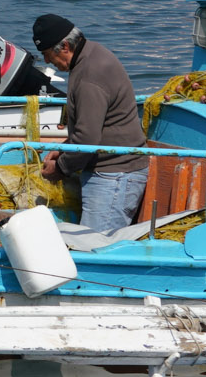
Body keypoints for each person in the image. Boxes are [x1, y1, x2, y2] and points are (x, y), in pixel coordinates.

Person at [31, 14, 148, 232]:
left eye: (47, 55)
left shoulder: (89, 75)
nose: (47, 62)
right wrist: (63, 149)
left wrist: (60, 168)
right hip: (110, 169)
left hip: (114, 175)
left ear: (65, 46)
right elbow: (92, 125)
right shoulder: (90, 54)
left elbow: (87, 138)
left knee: (94, 245)